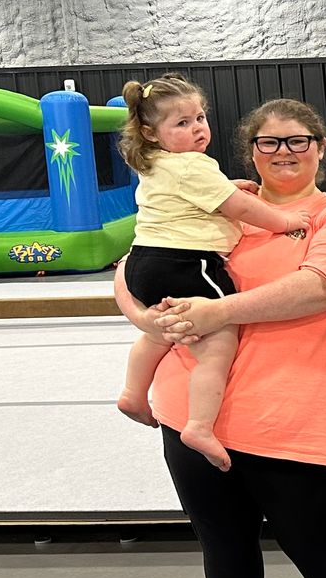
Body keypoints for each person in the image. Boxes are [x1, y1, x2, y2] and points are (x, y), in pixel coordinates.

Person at [113, 98, 326, 578]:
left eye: (298, 140)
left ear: (321, 148)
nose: (284, 152)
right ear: (251, 152)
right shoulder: (221, 198)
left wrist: (215, 311)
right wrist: (146, 320)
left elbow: (317, 289)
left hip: (290, 407)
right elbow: (136, 260)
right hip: (191, 409)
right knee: (222, 538)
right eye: (270, 143)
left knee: (308, 534)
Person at [114, 73, 311, 470]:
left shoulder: (158, 164)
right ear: (152, 133)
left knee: (162, 330)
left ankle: (134, 392)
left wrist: (227, 186)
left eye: (200, 118)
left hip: (143, 261)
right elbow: (240, 209)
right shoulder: (192, 166)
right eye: (182, 124)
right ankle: (200, 425)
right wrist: (283, 221)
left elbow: (198, 194)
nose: (197, 129)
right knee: (219, 342)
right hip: (188, 262)